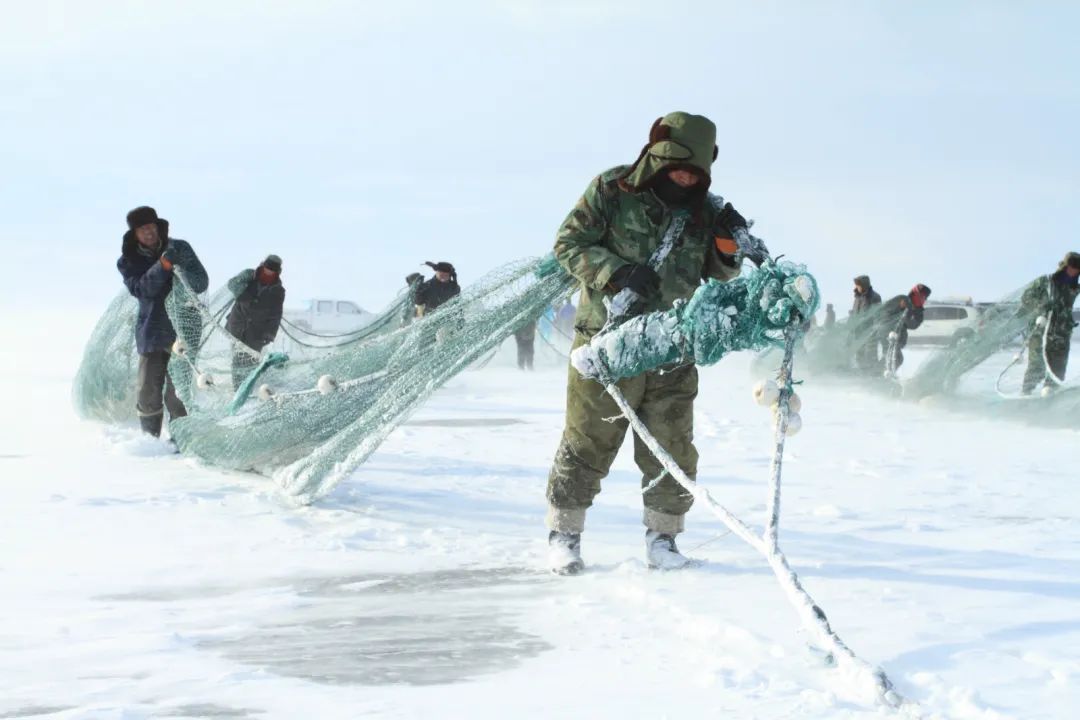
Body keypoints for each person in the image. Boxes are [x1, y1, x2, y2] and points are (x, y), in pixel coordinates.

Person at [545, 111, 748, 575]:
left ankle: (664, 538)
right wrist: (614, 272)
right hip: (606, 344)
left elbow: (719, 274)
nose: (685, 179)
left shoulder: (707, 210)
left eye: (695, 173)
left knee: (672, 445)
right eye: (678, 169)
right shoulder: (612, 191)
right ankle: (565, 533)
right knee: (588, 442)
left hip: (673, 347)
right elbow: (568, 243)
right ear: (657, 159)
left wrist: (727, 245)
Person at [116, 206, 208, 437]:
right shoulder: (128, 261)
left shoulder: (180, 248)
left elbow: (200, 282)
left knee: (177, 392)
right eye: (142, 229)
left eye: (151, 227)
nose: (148, 232)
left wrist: (180, 270)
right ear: (135, 234)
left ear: (158, 227)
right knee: (148, 389)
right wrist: (163, 266)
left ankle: (182, 441)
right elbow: (142, 289)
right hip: (152, 330)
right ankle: (150, 441)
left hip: (183, 330)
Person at [1021, 252, 1080, 394]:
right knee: (1037, 365)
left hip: (1061, 334)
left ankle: (1050, 395)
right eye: (1072, 267)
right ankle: (1025, 393)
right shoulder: (1046, 281)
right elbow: (1026, 297)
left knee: (1058, 368)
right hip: (1041, 330)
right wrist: (1041, 307)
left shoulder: (1074, 287)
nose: (1074, 271)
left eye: (1077, 269)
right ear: (1065, 266)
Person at [225, 255, 286, 389]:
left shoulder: (277, 290)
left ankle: (246, 390)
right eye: (266, 270)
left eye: (272, 272)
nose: (268, 273)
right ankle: (238, 390)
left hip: (256, 334)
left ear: (277, 273)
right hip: (237, 326)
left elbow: (276, 315)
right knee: (237, 360)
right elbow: (232, 284)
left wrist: (269, 336)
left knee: (249, 363)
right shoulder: (250, 275)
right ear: (263, 266)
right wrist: (246, 297)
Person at [878, 284, 932, 371]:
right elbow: (885, 312)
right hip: (889, 335)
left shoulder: (916, 309)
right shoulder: (902, 299)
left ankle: (882, 374)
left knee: (895, 359)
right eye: (923, 297)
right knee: (894, 359)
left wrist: (917, 311)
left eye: (925, 297)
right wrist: (900, 308)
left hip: (896, 338)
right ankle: (880, 375)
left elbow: (913, 325)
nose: (924, 299)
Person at [850, 275, 882, 371]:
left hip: (870, 333)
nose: (856, 288)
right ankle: (862, 377)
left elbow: (877, 314)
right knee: (859, 355)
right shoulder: (857, 298)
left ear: (864, 285)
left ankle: (873, 376)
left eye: (858, 285)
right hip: (858, 332)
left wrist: (873, 330)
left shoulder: (875, 297)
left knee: (870, 355)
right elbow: (854, 314)